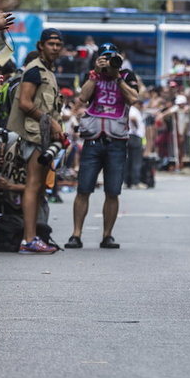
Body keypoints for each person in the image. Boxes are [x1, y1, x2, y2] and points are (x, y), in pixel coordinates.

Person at [66, 43, 139, 249]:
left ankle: (107, 235)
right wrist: (96, 74)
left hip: (117, 141)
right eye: (105, 57)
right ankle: (76, 234)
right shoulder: (92, 75)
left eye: (112, 57)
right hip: (93, 139)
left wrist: (116, 76)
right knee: (83, 189)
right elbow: (83, 97)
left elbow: (133, 98)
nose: (109, 61)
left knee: (113, 191)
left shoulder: (126, 75)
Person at [7, 29, 65, 254]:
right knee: (32, 187)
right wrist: (51, 123)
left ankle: (31, 238)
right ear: (41, 45)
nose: (55, 48)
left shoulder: (48, 71)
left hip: (44, 136)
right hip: (34, 135)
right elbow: (24, 103)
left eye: (58, 44)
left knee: (38, 187)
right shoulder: (34, 71)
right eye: (51, 44)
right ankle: (28, 240)